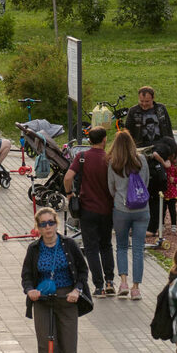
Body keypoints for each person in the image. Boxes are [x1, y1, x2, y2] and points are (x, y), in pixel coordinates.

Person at [21, 206, 90, 353]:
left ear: (56, 224)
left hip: (66, 298)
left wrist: (76, 290)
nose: (48, 227)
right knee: (47, 349)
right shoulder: (34, 249)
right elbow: (26, 276)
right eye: (43, 224)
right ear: (38, 227)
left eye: (51, 223)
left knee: (69, 350)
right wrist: (30, 291)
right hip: (43, 300)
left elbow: (83, 271)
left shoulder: (69, 244)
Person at [64, 126, 114, 298]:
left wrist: (69, 194)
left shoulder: (82, 157)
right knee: (106, 245)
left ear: (89, 141)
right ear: (104, 139)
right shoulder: (109, 159)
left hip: (87, 209)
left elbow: (68, 177)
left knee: (91, 249)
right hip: (107, 209)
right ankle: (110, 281)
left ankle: (99, 287)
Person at [126, 86, 177, 238]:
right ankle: (140, 222)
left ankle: (153, 226)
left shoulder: (161, 110)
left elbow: (168, 130)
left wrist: (173, 154)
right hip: (140, 153)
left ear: (153, 99)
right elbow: (127, 134)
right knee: (139, 189)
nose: (144, 104)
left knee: (156, 190)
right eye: (141, 101)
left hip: (159, 152)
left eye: (147, 101)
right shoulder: (133, 112)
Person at [106, 130, 150, 300]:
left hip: (121, 210)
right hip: (142, 210)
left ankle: (123, 283)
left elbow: (111, 188)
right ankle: (136, 288)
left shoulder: (113, 163)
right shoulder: (142, 160)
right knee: (138, 249)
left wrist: (120, 197)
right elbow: (146, 182)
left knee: (122, 247)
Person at [164, 150, 177, 232]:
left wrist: (174, 180)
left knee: (172, 210)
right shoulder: (164, 166)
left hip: (172, 194)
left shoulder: (175, 168)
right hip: (164, 193)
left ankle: (173, 225)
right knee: (162, 210)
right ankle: (162, 224)